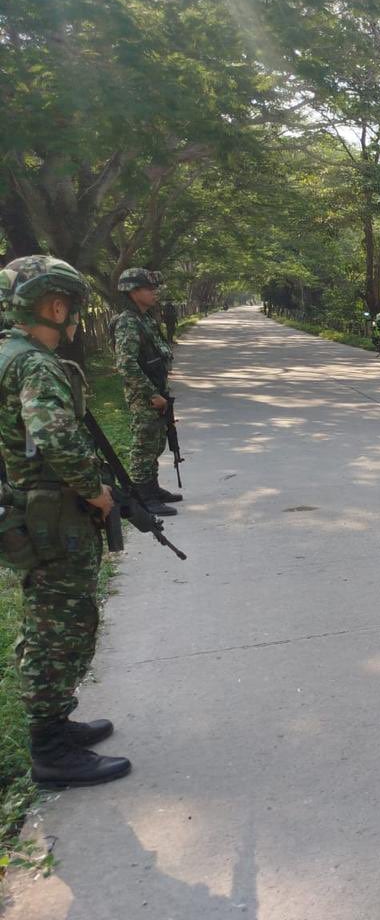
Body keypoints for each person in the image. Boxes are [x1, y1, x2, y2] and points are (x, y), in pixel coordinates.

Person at [0, 255, 129, 787]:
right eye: (73, 308)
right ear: (55, 305)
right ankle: (50, 750)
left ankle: (56, 723)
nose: (75, 319)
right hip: (52, 514)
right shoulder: (34, 363)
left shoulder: (10, 353)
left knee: (53, 619)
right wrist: (95, 491)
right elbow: (53, 436)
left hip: (31, 509)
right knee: (60, 625)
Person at [112, 268, 179, 516]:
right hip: (144, 395)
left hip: (155, 389)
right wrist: (151, 394)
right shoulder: (128, 322)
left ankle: (153, 488)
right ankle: (143, 497)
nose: (154, 292)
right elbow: (126, 364)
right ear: (132, 291)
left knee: (156, 442)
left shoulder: (145, 318)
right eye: (149, 288)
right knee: (144, 444)